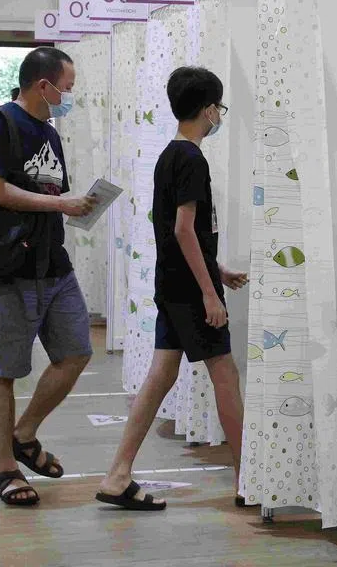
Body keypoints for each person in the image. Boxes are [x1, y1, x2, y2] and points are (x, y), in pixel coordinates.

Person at [96, 66, 248, 512]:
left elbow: (181, 232)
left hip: (173, 285)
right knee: (225, 375)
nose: (219, 116)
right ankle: (247, 478)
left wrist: (217, 270)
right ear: (208, 110)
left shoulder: (169, 155)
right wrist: (209, 293)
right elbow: (183, 230)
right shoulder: (192, 160)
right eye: (219, 108)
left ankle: (118, 474)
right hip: (189, 292)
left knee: (161, 376)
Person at [0, 47, 97, 507]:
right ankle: (7, 468)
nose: (70, 95)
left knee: (76, 352)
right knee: (4, 370)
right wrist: (59, 203)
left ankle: (24, 434)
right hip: (11, 266)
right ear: (43, 86)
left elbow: (51, 192)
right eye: (67, 87)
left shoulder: (50, 132)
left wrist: (76, 205)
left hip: (54, 264)